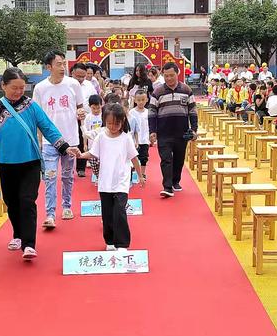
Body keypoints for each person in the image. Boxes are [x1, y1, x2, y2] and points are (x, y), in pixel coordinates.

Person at [0, 68, 80, 260]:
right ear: (3, 86)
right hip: (6, 163)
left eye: (22, 88)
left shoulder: (31, 106)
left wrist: (64, 147)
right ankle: (17, 234)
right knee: (12, 202)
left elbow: (48, 127)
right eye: (14, 88)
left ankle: (29, 244)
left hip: (31, 162)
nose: (18, 92)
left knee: (27, 200)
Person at [79, 103, 145, 251]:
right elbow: (93, 153)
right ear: (104, 121)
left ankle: (122, 243)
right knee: (107, 214)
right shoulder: (101, 137)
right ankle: (109, 241)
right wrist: (81, 155)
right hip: (105, 182)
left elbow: (134, 158)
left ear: (122, 122)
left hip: (121, 182)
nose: (113, 126)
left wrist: (140, 176)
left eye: (116, 123)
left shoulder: (126, 138)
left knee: (120, 212)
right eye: (109, 123)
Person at [33, 50, 85, 229]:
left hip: (70, 139)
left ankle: (67, 206)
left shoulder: (73, 84)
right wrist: (39, 142)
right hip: (49, 142)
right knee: (50, 177)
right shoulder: (40, 88)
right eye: (58, 64)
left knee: (67, 176)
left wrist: (81, 113)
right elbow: (37, 117)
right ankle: (49, 214)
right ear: (49, 67)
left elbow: (80, 107)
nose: (63, 67)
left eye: (64, 63)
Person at [149, 62, 198, 197]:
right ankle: (167, 186)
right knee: (166, 159)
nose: (169, 78)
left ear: (177, 74)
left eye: (171, 75)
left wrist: (194, 129)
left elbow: (193, 111)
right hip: (163, 132)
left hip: (182, 132)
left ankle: (176, 181)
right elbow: (152, 112)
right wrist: (152, 131)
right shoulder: (157, 91)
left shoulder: (186, 90)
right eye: (166, 76)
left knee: (179, 159)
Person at [71, 62, 97, 177]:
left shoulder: (89, 85)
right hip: (70, 119)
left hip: (85, 119)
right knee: (71, 142)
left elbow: (94, 100)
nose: (81, 79)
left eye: (83, 76)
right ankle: (69, 167)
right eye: (78, 76)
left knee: (82, 141)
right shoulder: (67, 85)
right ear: (72, 73)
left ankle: (81, 168)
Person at [81, 94, 103, 178]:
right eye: (94, 108)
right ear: (90, 106)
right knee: (93, 164)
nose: (96, 110)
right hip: (92, 144)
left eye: (98, 108)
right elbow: (85, 132)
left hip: (102, 143)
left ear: (101, 106)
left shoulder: (103, 116)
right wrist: (85, 144)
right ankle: (97, 175)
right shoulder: (88, 118)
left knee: (102, 162)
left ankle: (101, 178)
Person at [130, 89, 150, 179]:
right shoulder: (131, 113)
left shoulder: (148, 112)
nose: (141, 102)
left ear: (147, 100)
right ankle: (133, 173)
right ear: (135, 100)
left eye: (143, 100)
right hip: (133, 140)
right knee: (133, 157)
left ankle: (142, 173)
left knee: (144, 157)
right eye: (138, 100)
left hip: (145, 139)